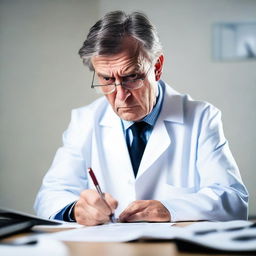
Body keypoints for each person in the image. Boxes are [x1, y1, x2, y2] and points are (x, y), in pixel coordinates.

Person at [34, 11, 248, 226]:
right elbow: (49, 196)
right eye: (107, 79)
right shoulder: (84, 120)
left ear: (157, 67)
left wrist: (170, 209)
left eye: (132, 77)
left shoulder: (201, 118)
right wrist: (76, 210)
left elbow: (234, 200)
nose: (120, 96)